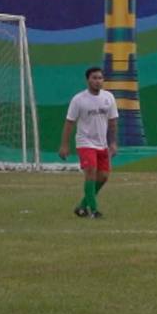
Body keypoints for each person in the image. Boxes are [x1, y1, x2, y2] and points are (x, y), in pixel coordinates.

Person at [59, 67, 118, 218]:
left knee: (103, 177)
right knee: (91, 172)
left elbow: (112, 122)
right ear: (88, 80)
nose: (98, 81)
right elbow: (69, 123)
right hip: (85, 142)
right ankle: (94, 210)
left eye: (100, 78)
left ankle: (82, 206)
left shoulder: (109, 98)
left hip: (102, 144)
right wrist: (64, 145)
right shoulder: (79, 100)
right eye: (94, 78)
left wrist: (113, 143)